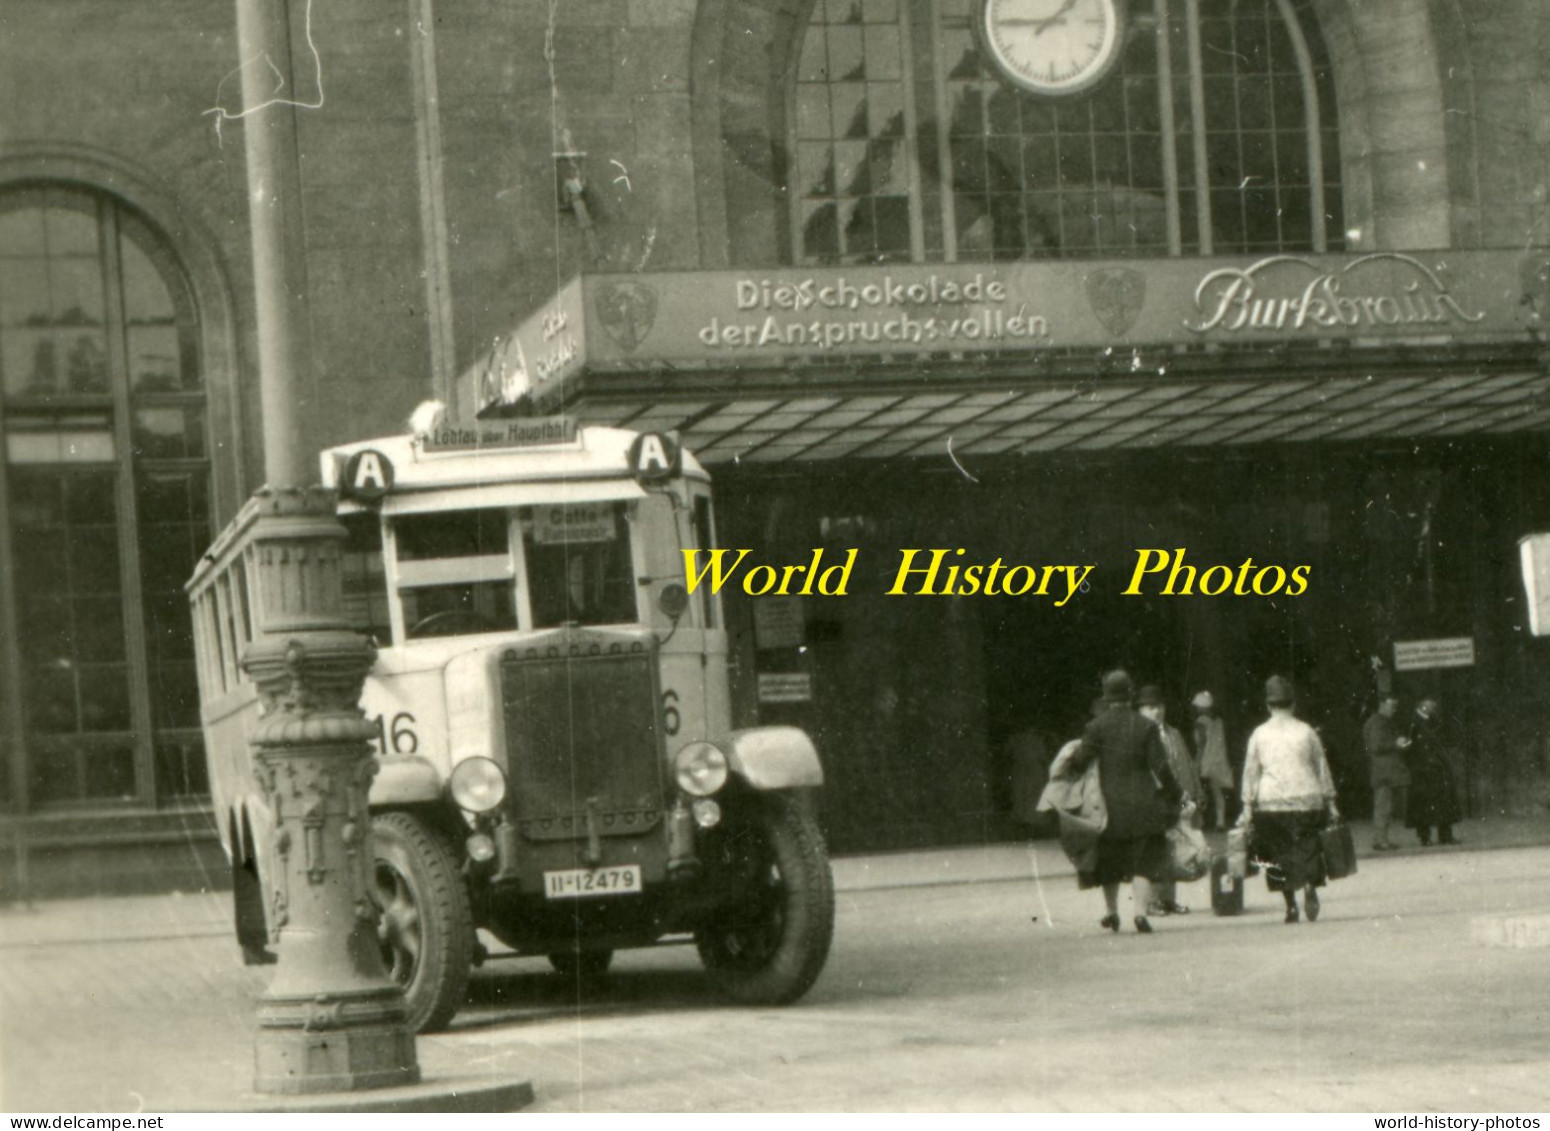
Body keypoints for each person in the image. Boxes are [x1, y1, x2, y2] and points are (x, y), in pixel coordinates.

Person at [1072, 670, 1182, 934]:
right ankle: (1140, 914)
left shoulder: (1096, 726)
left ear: (1106, 697)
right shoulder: (1145, 726)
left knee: (1109, 861)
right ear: (1130, 695)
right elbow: (1160, 767)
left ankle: (1112, 912)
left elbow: (1079, 762)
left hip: (1108, 806)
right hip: (1144, 803)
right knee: (1143, 862)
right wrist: (1175, 794)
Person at [1239, 675, 1340, 924]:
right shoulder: (1306, 731)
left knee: (1277, 854)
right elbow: (1321, 768)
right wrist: (1331, 801)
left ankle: (1290, 906)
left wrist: (1247, 806)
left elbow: (1251, 772)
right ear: (1293, 704)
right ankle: (1309, 886)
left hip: (1272, 802)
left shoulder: (1259, 734)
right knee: (1308, 847)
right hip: (1308, 798)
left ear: (1268, 705)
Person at [1139, 685, 1200, 916]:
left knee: (1173, 847)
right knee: (1155, 849)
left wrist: (1190, 796)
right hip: (1153, 798)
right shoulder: (1141, 735)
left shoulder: (1173, 733)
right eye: (1151, 707)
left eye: (1160, 706)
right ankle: (1152, 901)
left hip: (1175, 797)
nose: (1157, 711)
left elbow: (1185, 764)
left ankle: (1168, 899)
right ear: (1141, 710)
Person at [1402, 697, 1461, 846]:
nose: (1434, 708)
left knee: (1442, 803)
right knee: (1424, 805)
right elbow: (1409, 748)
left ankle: (1444, 835)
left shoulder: (1430, 722)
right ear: (1423, 707)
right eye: (1431, 706)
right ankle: (1425, 836)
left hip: (1435, 768)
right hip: (1423, 770)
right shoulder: (1413, 724)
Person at [1363, 691, 1409, 850]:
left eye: (1396, 706)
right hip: (1383, 772)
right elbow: (1376, 746)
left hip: (1383, 771)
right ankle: (1381, 841)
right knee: (1383, 806)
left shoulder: (1378, 721)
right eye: (1391, 706)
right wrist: (1396, 743)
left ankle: (1382, 839)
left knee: (1384, 806)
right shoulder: (1378, 722)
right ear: (1382, 704)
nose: (1394, 709)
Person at [1191, 690, 1234, 830]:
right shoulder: (1219, 721)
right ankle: (1220, 822)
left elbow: (1200, 744)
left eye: (1197, 706)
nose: (1196, 708)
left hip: (1205, 760)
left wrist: (1196, 761)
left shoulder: (1200, 721)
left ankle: (1201, 821)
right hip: (1219, 759)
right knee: (1217, 792)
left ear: (1202, 707)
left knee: (1200, 790)